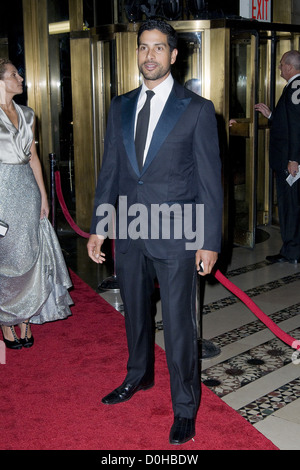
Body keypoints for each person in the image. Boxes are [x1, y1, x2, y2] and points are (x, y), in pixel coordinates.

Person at [87, 19, 223, 445]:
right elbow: (111, 171)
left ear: (174, 55)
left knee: (181, 325)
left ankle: (185, 407)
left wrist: (209, 240)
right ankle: (138, 376)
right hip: (128, 229)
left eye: (158, 48)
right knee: (136, 315)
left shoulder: (198, 109)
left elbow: (209, 182)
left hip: (178, 233)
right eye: (144, 47)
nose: (149, 56)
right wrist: (100, 227)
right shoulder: (120, 105)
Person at [0, 58, 73, 350]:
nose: (21, 78)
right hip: (1, 191)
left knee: (31, 252)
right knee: (6, 258)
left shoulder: (28, 114)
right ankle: (6, 322)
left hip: (26, 191)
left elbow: (32, 157)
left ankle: (26, 318)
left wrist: (43, 195)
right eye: (15, 74)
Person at [255, 50, 300, 264]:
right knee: (292, 205)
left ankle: (292, 251)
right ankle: (292, 248)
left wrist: (293, 159)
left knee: (289, 206)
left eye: (282, 64)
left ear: (290, 67)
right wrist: (272, 115)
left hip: (288, 162)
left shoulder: (294, 87)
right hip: (290, 159)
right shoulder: (294, 88)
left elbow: (297, 126)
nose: (280, 67)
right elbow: (289, 121)